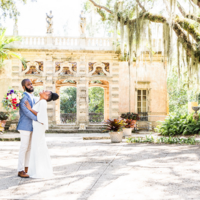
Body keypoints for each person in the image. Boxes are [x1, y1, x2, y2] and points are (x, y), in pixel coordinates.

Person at [24, 90, 59, 178]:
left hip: (39, 126)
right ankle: (36, 170)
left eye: (45, 91)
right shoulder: (39, 100)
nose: (43, 90)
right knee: (37, 147)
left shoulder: (43, 102)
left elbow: (41, 115)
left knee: (38, 147)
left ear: (46, 96)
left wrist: (30, 108)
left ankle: (40, 171)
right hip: (36, 126)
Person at [17, 79, 39, 178]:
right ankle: (20, 170)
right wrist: (38, 119)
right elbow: (26, 112)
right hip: (24, 126)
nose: (30, 85)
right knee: (23, 148)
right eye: (28, 84)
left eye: (31, 84)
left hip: (32, 127)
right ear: (24, 87)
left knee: (29, 148)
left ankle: (26, 168)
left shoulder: (33, 97)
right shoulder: (23, 97)